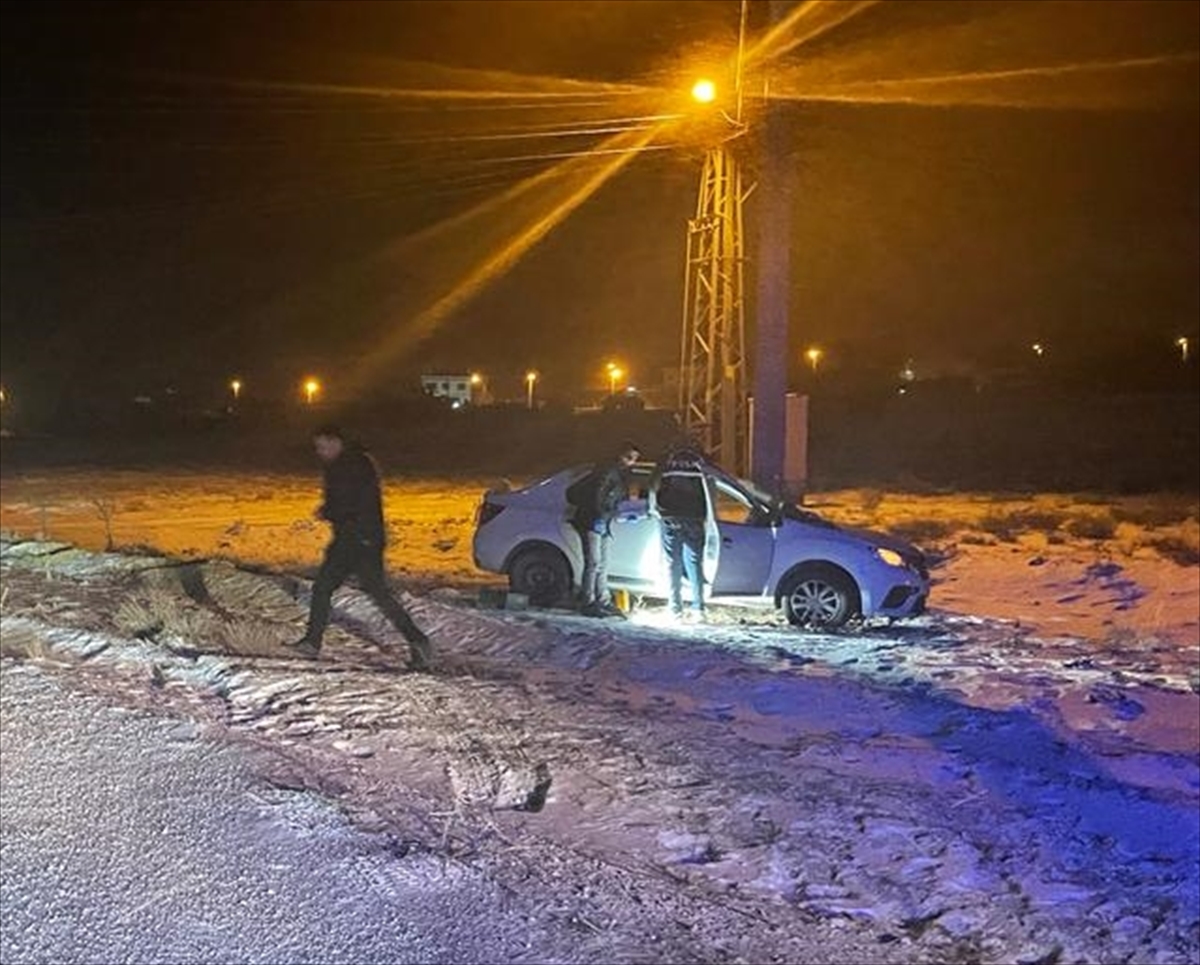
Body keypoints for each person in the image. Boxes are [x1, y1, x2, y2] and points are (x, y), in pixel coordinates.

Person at [287, 425, 433, 671]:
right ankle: (312, 642)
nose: (319, 452)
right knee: (326, 587)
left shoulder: (352, 465)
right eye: (317, 447)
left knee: (374, 592)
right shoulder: (346, 463)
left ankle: (418, 640)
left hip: (361, 540)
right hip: (351, 538)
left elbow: (352, 504)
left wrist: (328, 511)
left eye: (322, 446)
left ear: (336, 443)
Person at [567, 439, 641, 618]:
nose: (633, 461)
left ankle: (603, 600)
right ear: (622, 455)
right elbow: (597, 496)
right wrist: (601, 515)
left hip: (603, 521)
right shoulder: (608, 471)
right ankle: (588, 602)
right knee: (593, 563)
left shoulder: (620, 473)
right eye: (631, 457)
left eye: (635, 458)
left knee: (603, 564)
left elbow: (615, 498)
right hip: (592, 520)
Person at [648, 446, 708, 622]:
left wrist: (653, 509)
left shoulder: (666, 463)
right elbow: (709, 487)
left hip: (670, 516)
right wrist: (707, 516)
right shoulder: (698, 463)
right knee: (695, 562)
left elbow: (652, 485)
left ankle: (675, 609)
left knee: (673, 563)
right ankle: (699, 609)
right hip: (695, 518)